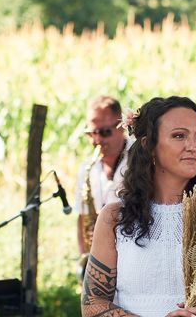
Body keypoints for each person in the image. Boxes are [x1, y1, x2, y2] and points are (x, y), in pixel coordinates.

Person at [81, 96, 196, 317]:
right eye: (179, 136)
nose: (193, 146)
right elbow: (92, 303)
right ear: (149, 145)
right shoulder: (114, 217)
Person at [74, 96, 130, 269]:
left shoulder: (142, 160)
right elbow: (82, 219)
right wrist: (86, 260)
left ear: (121, 127)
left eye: (105, 132)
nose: (97, 140)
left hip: (131, 253)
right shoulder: (87, 169)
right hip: (101, 260)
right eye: (91, 133)